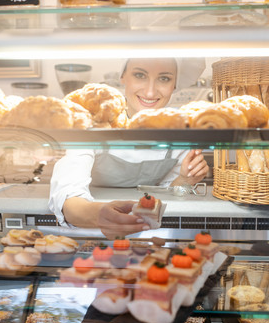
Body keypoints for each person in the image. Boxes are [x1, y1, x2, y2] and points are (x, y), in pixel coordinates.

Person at [49, 58, 208, 239]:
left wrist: (185, 180)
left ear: (174, 85)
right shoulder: (93, 122)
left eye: (164, 79)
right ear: (123, 76)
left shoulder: (180, 131)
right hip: (88, 235)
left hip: (148, 237)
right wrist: (101, 215)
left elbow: (169, 194)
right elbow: (69, 199)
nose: (150, 91)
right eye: (139, 75)